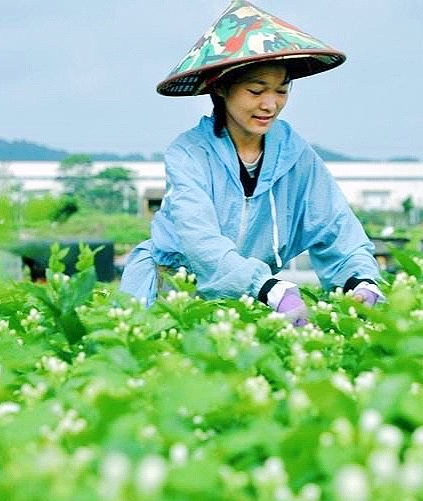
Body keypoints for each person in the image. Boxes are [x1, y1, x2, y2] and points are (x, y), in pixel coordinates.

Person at [120, 0, 384, 326]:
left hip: (250, 302)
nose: (270, 104)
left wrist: (360, 281)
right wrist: (269, 288)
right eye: (256, 90)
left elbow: (337, 227)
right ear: (221, 88)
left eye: (281, 90)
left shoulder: (296, 156)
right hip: (172, 297)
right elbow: (200, 242)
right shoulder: (189, 154)